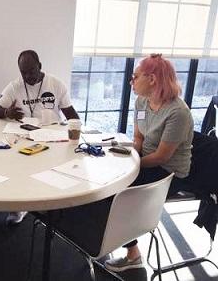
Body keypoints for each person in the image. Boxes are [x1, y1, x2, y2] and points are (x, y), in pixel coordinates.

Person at [52, 54, 194, 273]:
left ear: (153, 79)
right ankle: (120, 245)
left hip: (168, 173)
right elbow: (138, 139)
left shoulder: (178, 113)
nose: (131, 80)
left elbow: (162, 157)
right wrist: (124, 159)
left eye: (135, 76)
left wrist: (129, 167)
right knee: (104, 180)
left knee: (112, 194)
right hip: (145, 162)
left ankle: (126, 250)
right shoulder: (141, 102)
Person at [0, 50, 80, 225]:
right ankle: (19, 206)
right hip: (24, 136)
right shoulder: (15, 86)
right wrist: (7, 112)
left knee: (50, 172)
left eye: (31, 70)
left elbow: (72, 116)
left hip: (51, 137)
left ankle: (52, 202)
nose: (27, 76)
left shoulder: (56, 84)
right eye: (23, 72)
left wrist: (75, 133)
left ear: (40, 66)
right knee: (17, 170)